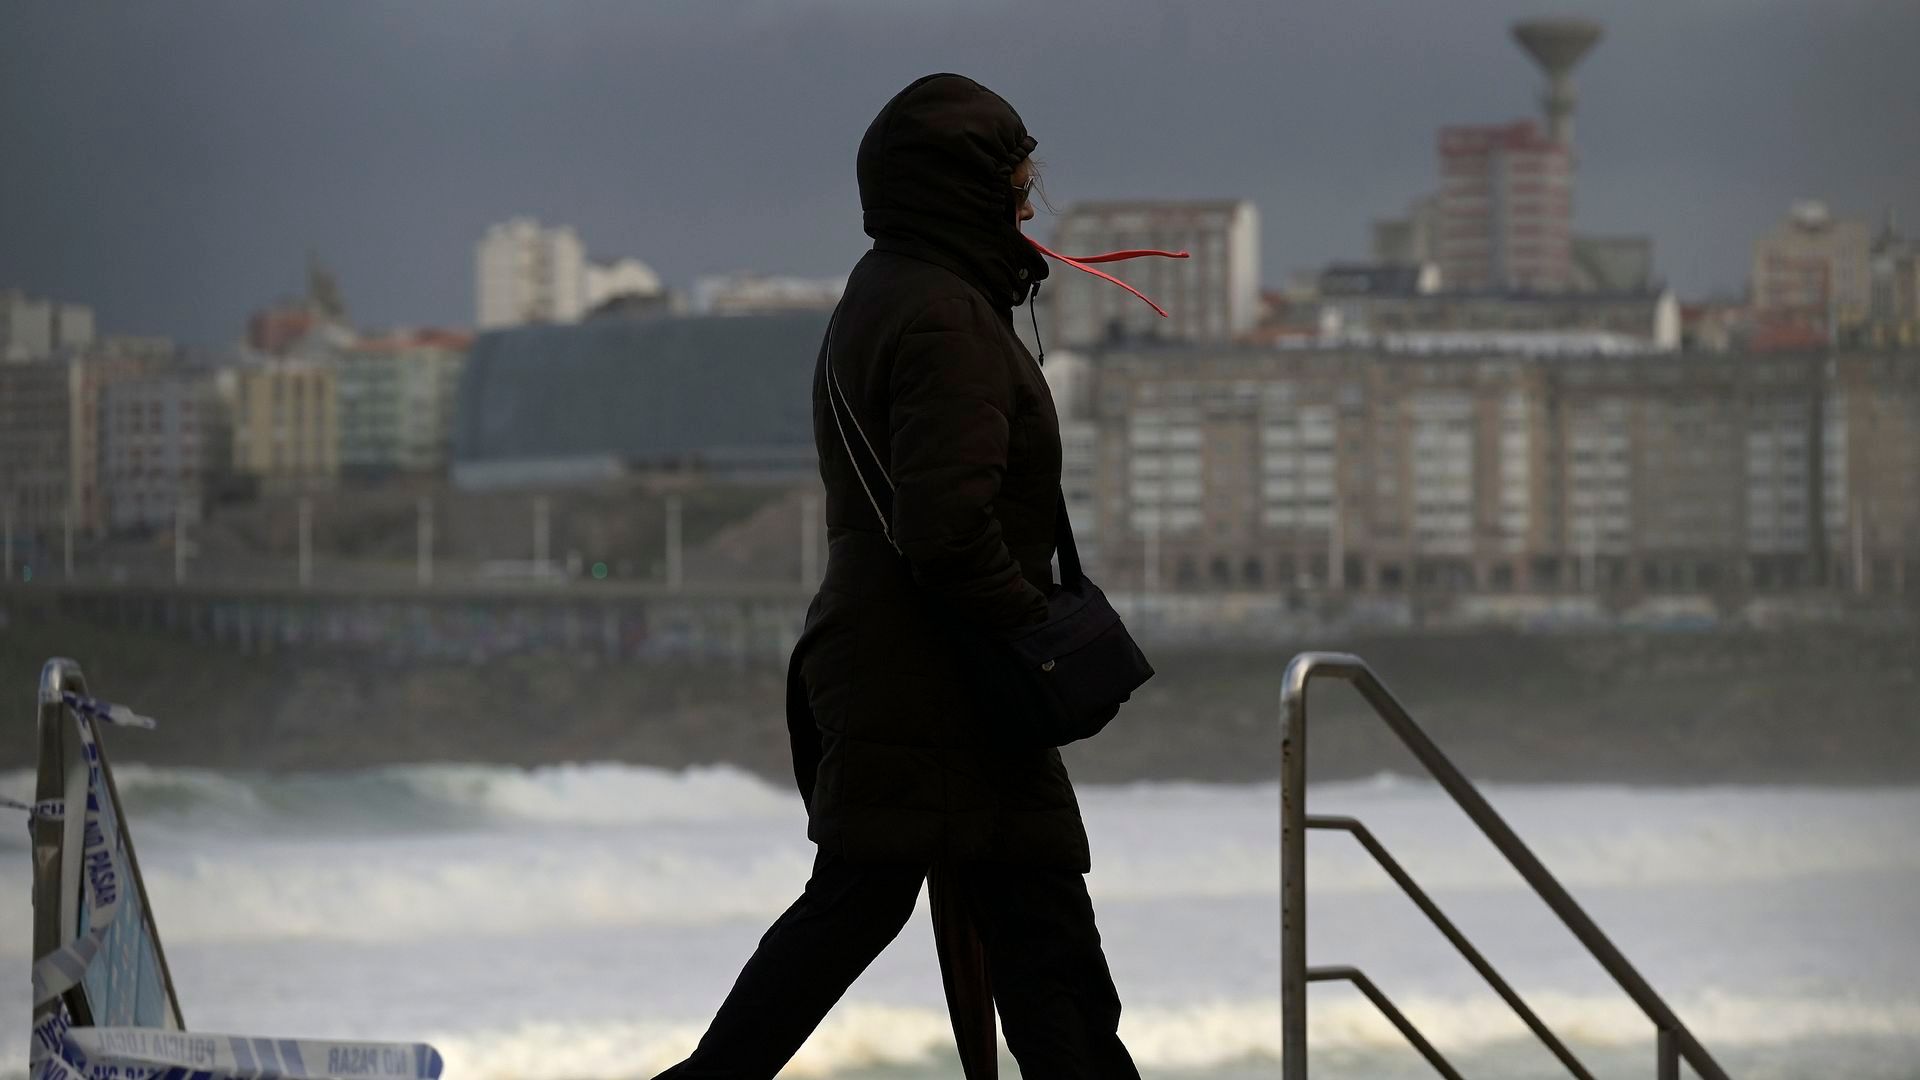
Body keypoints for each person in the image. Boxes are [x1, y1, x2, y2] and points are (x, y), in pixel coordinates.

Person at [652, 73, 1140, 1079]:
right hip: (941, 682)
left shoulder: (890, 292)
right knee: (958, 924)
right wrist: (1036, 637)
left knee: (969, 919)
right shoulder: (947, 319)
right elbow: (945, 529)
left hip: (911, 671)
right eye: (1015, 184)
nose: (1029, 206)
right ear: (960, 189)